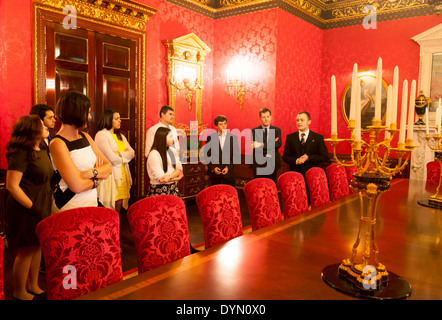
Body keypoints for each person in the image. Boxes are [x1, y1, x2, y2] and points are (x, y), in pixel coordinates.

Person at [5, 115, 54, 300]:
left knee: (37, 247)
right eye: (42, 125)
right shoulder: (21, 152)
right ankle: (19, 292)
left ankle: (33, 285)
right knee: (25, 251)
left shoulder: (41, 148)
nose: (46, 126)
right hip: (25, 208)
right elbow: (12, 186)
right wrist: (32, 206)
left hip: (41, 204)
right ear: (32, 129)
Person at [49, 91, 112, 212]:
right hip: (70, 205)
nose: (89, 117)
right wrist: (98, 179)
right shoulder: (57, 143)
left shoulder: (85, 136)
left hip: (91, 202)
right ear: (75, 113)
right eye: (87, 112)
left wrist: (87, 173)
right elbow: (76, 186)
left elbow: (108, 167)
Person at [95, 109, 135, 213]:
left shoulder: (121, 136)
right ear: (108, 120)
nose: (120, 121)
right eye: (116, 119)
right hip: (110, 175)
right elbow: (112, 159)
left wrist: (119, 153)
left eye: (120, 118)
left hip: (123, 174)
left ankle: (116, 228)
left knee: (118, 206)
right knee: (108, 208)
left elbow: (132, 153)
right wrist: (123, 155)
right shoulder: (101, 135)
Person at [282, 111, 329, 177]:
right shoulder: (290, 137)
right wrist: (296, 160)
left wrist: (308, 158)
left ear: (309, 122)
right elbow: (285, 157)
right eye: (297, 120)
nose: (299, 122)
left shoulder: (318, 138)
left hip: (312, 176)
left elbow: (325, 157)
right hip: (295, 175)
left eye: (302, 120)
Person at [204, 115, 240, 187]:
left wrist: (228, 167)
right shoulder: (210, 138)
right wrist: (213, 168)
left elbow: (236, 156)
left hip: (228, 173)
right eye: (221, 124)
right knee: (215, 194)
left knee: (229, 194)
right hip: (214, 173)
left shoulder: (233, 138)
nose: (224, 126)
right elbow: (207, 155)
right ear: (216, 126)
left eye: (225, 123)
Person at [146, 127, 183, 196]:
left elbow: (179, 169)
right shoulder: (154, 154)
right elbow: (162, 179)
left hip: (173, 188)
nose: (173, 139)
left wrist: (169, 177)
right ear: (162, 138)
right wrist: (175, 177)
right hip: (159, 189)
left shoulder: (172, 151)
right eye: (170, 137)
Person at [250, 108, 282, 182]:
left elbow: (278, 144)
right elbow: (255, 147)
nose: (266, 119)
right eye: (264, 117)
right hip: (258, 164)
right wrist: (271, 143)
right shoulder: (254, 131)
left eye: (268, 117)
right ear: (260, 118)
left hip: (272, 163)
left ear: (270, 117)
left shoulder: (277, 130)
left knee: (271, 187)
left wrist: (260, 144)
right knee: (258, 186)